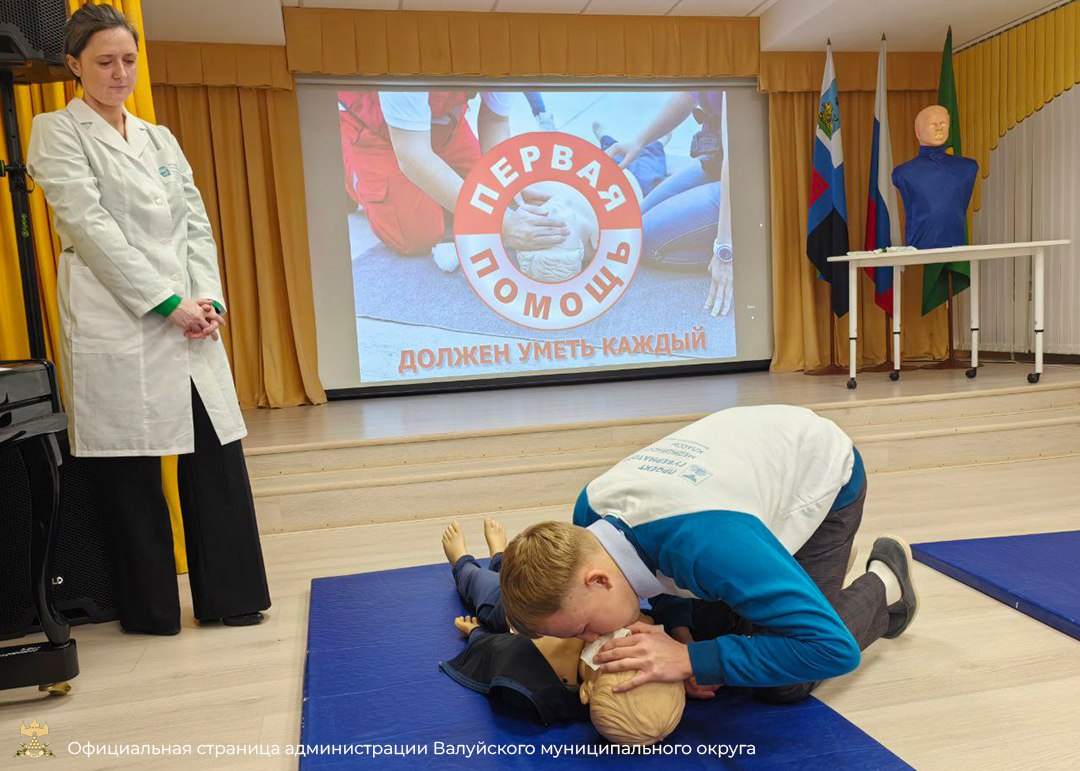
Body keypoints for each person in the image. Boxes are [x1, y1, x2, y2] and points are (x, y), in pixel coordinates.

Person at [26, 5, 270, 635]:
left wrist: (209, 300)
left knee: (216, 454)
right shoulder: (56, 131)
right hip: (121, 314)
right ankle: (151, 610)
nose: (119, 72)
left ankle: (233, 597)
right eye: (104, 61)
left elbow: (195, 222)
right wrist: (166, 301)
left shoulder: (159, 137)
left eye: (129, 60)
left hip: (190, 316)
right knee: (130, 471)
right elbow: (91, 227)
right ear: (74, 65)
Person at [499, 405, 918, 704]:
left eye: (584, 628)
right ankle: (792, 580)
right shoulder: (588, 518)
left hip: (824, 473)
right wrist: (680, 632)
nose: (591, 642)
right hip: (742, 478)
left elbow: (833, 650)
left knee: (782, 685)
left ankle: (886, 582)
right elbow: (647, 572)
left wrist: (688, 659)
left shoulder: (706, 544)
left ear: (598, 579)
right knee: (714, 632)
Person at [439, 521, 685, 745]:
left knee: (479, 583)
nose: (619, 644)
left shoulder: (542, 683)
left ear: (586, 692)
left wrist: (477, 633)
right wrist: (690, 658)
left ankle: (461, 560)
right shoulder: (652, 635)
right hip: (556, 602)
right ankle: (500, 555)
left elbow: (498, 653)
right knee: (527, 576)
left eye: (615, 663)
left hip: (512, 616)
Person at [338, 90, 569, 258]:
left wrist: (507, 184)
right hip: (376, 130)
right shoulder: (405, 44)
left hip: (445, 125)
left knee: (493, 198)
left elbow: (495, 119)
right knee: (418, 234)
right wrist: (503, 225)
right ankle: (346, 168)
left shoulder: (503, 40)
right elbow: (412, 153)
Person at [603, 90, 733, 316]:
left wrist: (725, 250)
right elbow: (688, 94)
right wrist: (639, 141)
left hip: (746, 177)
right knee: (634, 223)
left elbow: (737, 162)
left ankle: (755, 247)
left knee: (648, 240)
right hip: (716, 159)